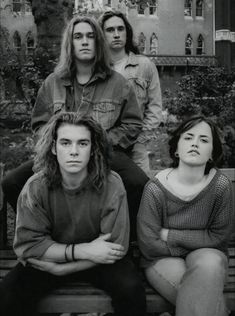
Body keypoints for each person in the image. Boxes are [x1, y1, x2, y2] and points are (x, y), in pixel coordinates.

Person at [2, 15, 148, 240]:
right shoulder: (53, 82)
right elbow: (40, 124)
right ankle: (45, 233)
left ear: (99, 42)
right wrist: (58, 145)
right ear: (70, 44)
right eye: (78, 36)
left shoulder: (118, 83)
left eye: (90, 36)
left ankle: (122, 240)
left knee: (139, 183)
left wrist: (101, 142)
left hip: (105, 152)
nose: (85, 41)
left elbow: (132, 124)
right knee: (12, 182)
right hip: (62, 152)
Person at [0, 112, 146, 316]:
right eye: (66, 143)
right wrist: (81, 251)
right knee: (9, 294)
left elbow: (114, 249)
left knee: (131, 290)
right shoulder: (36, 187)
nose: (74, 151)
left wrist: (62, 269)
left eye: (83, 143)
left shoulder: (111, 183)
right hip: (59, 256)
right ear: (53, 147)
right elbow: (30, 246)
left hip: (98, 262)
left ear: (93, 148)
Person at [137, 115, 234, 316]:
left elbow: (218, 239)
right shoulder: (155, 188)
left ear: (211, 153)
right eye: (188, 138)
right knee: (208, 305)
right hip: (162, 260)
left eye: (204, 140)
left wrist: (170, 235)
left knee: (209, 263)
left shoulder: (220, 187)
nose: (195, 144)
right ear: (176, 149)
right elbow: (149, 244)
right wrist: (195, 243)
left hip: (208, 258)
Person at [99, 10, 162, 175]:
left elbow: (155, 108)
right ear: (102, 34)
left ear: (127, 32)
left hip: (135, 146)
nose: (116, 34)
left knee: (140, 190)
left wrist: (141, 140)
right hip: (104, 146)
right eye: (110, 30)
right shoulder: (96, 69)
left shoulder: (144, 66)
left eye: (121, 29)